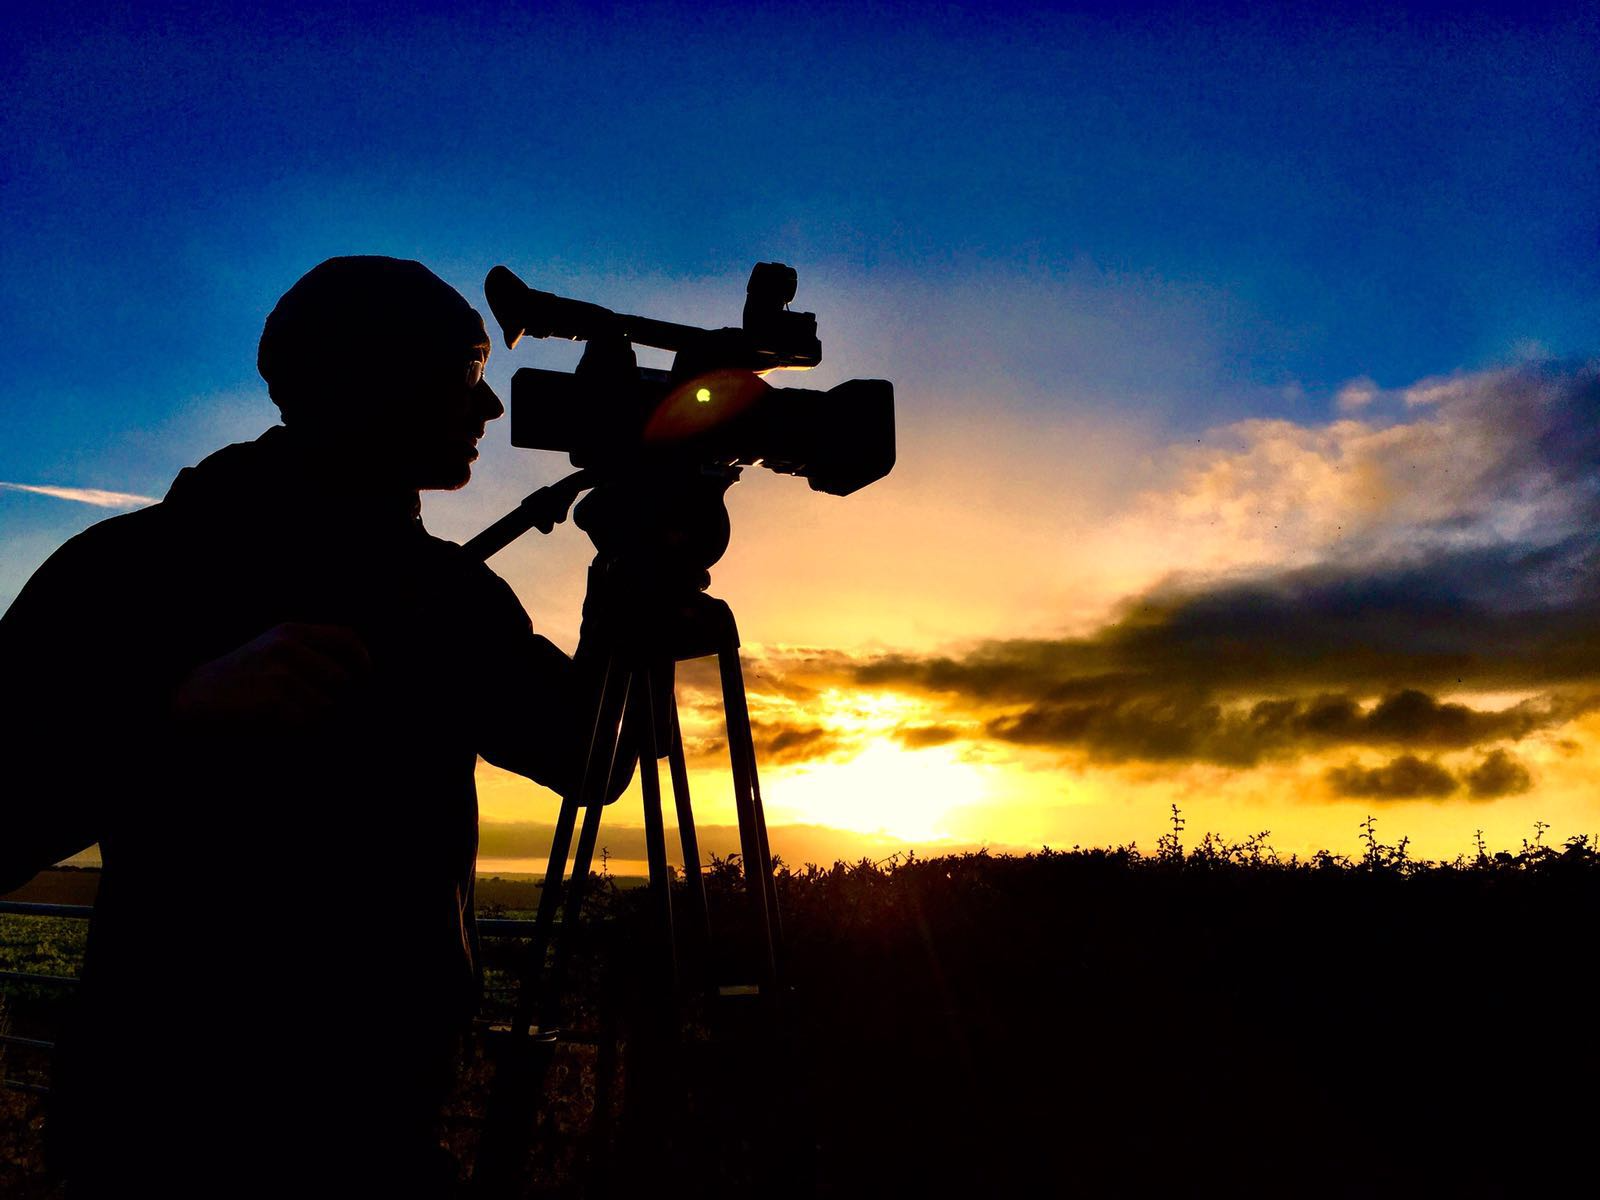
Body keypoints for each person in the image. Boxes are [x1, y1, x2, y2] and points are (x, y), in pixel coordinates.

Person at [0, 256, 609, 1197]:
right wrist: (177, 707)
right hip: (159, 1131)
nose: (490, 412)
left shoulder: (447, 595)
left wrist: (633, 577)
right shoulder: (130, 573)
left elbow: (593, 753)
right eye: (468, 374)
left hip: (382, 1127)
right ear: (371, 383)